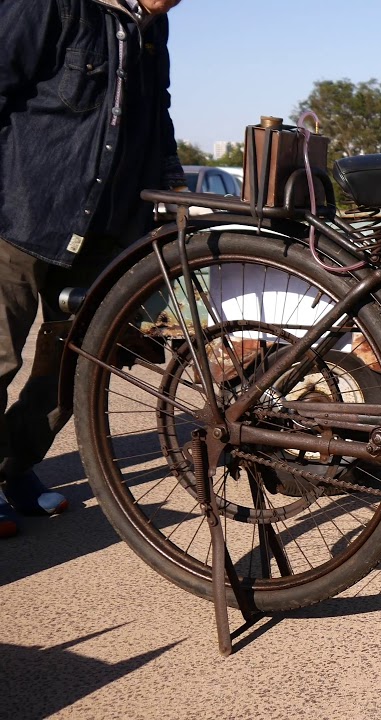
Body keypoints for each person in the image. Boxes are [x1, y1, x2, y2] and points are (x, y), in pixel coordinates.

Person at [0, 0, 186, 538]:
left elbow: (157, 111)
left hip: (105, 227)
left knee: (74, 365)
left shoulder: (153, 24)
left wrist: (173, 187)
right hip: (23, 211)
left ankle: (12, 466)